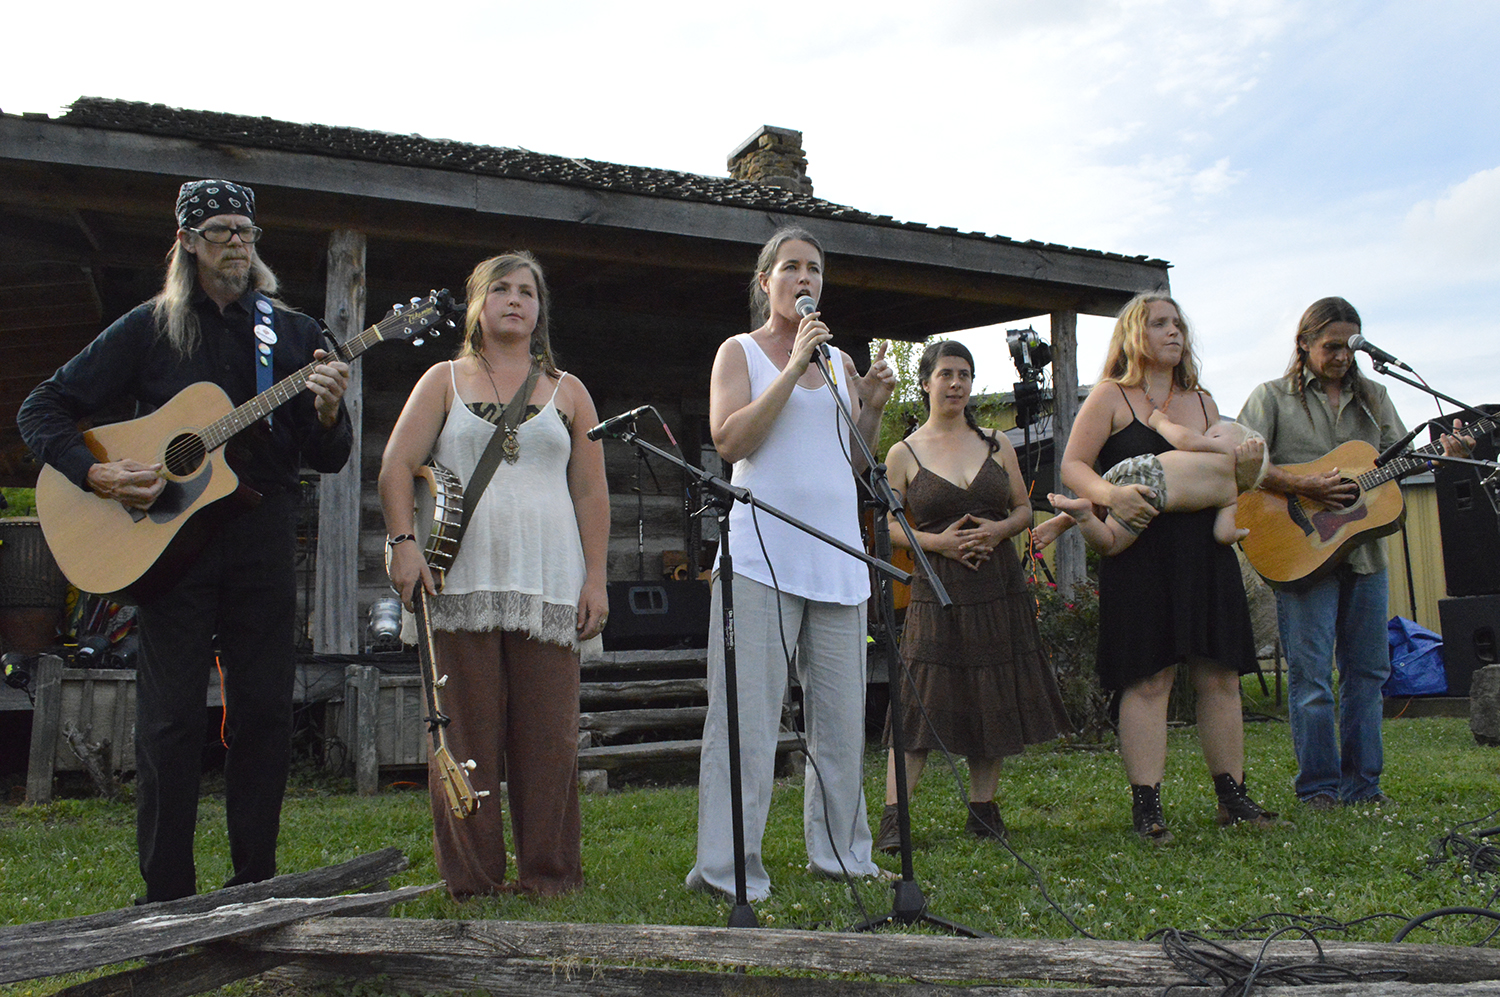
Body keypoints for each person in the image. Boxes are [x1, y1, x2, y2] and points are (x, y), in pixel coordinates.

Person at [18, 180, 353, 901]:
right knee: (169, 723)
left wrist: (328, 414)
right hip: (171, 553)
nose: (239, 242)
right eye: (222, 229)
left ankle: (254, 883)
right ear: (188, 242)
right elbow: (41, 408)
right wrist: (99, 473)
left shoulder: (294, 336)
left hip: (263, 542)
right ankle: (165, 894)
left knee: (264, 714)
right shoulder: (150, 327)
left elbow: (330, 456)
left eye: (247, 230)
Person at [379, 251, 609, 897]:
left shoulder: (570, 391)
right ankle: (473, 879)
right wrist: (403, 543)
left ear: (540, 310)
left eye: (527, 291)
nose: (515, 299)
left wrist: (596, 578)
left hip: (549, 584)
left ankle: (550, 876)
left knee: (550, 740)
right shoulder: (443, 380)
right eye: (500, 289)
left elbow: (591, 492)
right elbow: (396, 466)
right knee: (466, 735)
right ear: (477, 305)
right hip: (458, 583)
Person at [685, 227, 896, 900]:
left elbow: (854, 463)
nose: (805, 279)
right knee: (745, 721)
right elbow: (730, 440)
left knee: (839, 722)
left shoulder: (836, 363)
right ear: (765, 282)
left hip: (835, 559)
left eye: (815, 270)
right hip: (758, 559)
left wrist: (876, 410)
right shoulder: (739, 352)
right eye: (791, 268)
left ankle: (842, 855)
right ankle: (726, 868)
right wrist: (790, 366)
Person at [1056, 292, 1278, 844]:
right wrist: (1111, 494)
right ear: (1136, 334)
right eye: (1160, 324)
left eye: (1178, 323)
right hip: (1141, 553)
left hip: (1204, 549)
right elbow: (1072, 465)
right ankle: (1147, 806)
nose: (1173, 332)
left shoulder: (1202, 402)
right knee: (1149, 677)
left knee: (1220, 674)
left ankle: (1233, 795)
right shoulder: (1112, 396)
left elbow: (1227, 477)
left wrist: (1247, 475)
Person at [1237, 296, 1468, 810]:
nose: (1342, 356)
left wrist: (1447, 453)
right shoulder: (1271, 398)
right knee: (1313, 676)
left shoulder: (1376, 397)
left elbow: (1398, 459)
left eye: (1350, 346)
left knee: (1367, 673)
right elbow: (1238, 465)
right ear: (1304, 344)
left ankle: (1364, 786)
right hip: (1298, 552)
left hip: (1363, 556)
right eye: (1330, 346)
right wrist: (1304, 485)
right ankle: (1318, 788)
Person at [873, 340, 1070, 853]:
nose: (956, 383)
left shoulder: (996, 442)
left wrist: (999, 529)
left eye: (964, 374)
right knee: (920, 698)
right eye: (945, 374)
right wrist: (938, 543)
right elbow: (884, 526)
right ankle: (896, 818)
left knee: (993, 690)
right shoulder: (904, 452)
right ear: (925, 383)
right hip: (936, 590)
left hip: (997, 585)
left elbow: (1025, 510)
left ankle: (983, 810)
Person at [1040, 410, 1267, 556]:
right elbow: (1223, 534)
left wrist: (1161, 422)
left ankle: (1068, 516)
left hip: (1140, 465)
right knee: (1111, 543)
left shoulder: (1222, 450)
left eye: (1213, 434)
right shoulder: (1230, 496)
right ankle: (1083, 516)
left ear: (1236, 446)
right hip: (1152, 494)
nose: (1206, 437)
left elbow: (1182, 439)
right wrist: (1239, 533)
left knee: (1102, 496)